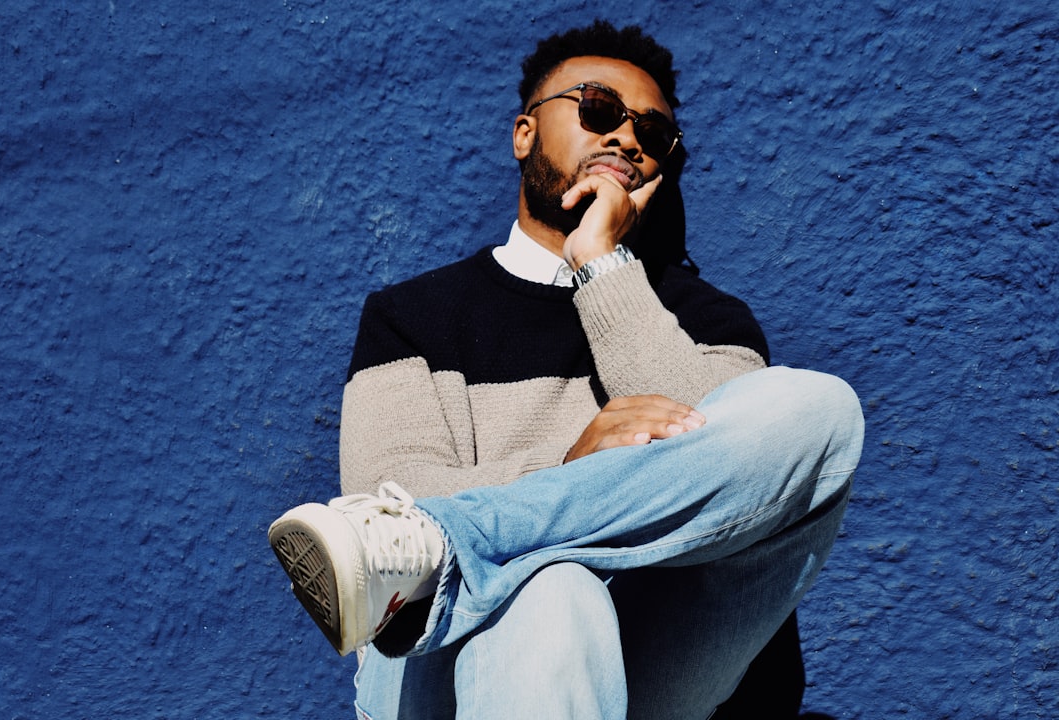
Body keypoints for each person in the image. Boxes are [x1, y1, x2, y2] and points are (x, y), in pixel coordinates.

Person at [269, 20, 864, 720]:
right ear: (525, 134)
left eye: (653, 133)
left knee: (819, 410)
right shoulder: (413, 317)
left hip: (653, 654)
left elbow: (730, 482)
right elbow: (386, 509)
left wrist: (600, 265)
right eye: (599, 111)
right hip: (445, 651)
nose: (626, 139)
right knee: (552, 588)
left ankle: (454, 537)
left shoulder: (710, 320)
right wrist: (569, 464)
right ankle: (463, 545)